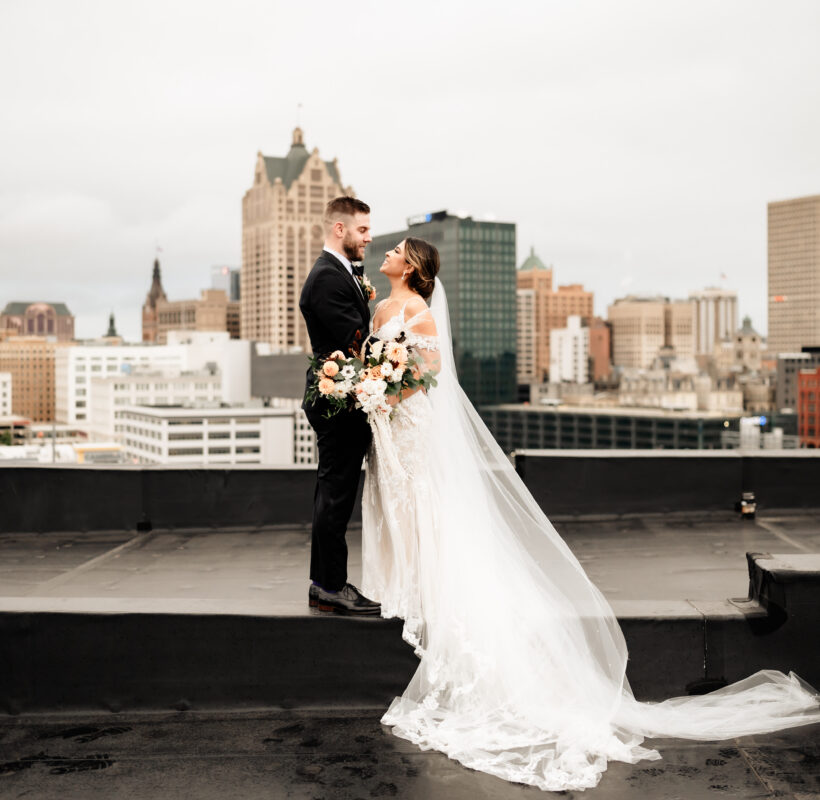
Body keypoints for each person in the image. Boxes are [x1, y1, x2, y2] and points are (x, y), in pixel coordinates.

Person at [360, 237, 820, 792]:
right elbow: (382, 356)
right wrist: (372, 384)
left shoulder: (418, 311)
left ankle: (430, 589)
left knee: (428, 504)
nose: (385, 251)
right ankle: (403, 581)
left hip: (411, 422)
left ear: (410, 266)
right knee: (400, 504)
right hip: (389, 426)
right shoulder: (381, 306)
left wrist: (387, 386)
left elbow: (430, 372)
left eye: (396, 249)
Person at [299, 196, 381, 616]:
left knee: (333, 492)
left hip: (344, 397)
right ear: (339, 229)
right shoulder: (328, 278)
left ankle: (323, 584)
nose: (368, 237)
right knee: (336, 494)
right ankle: (331, 587)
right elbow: (356, 342)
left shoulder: (341, 273)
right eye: (362, 230)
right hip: (338, 402)